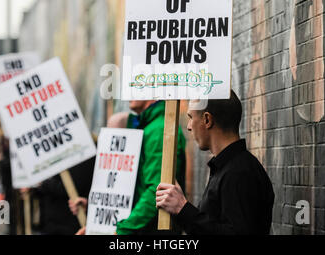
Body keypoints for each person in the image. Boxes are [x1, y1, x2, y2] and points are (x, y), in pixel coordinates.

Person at [156, 91, 275, 235]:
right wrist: (179, 210)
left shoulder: (239, 173)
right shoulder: (229, 168)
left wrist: (183, 208)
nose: (188, 126)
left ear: (207, 120)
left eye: (191, 117)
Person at [71, 101, 187, 235]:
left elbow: (156, 190)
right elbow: (134, 188)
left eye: (137, 82)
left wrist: (120, 231)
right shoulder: (148, 127)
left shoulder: (160, 130)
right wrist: (96, 214)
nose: (130, 91)